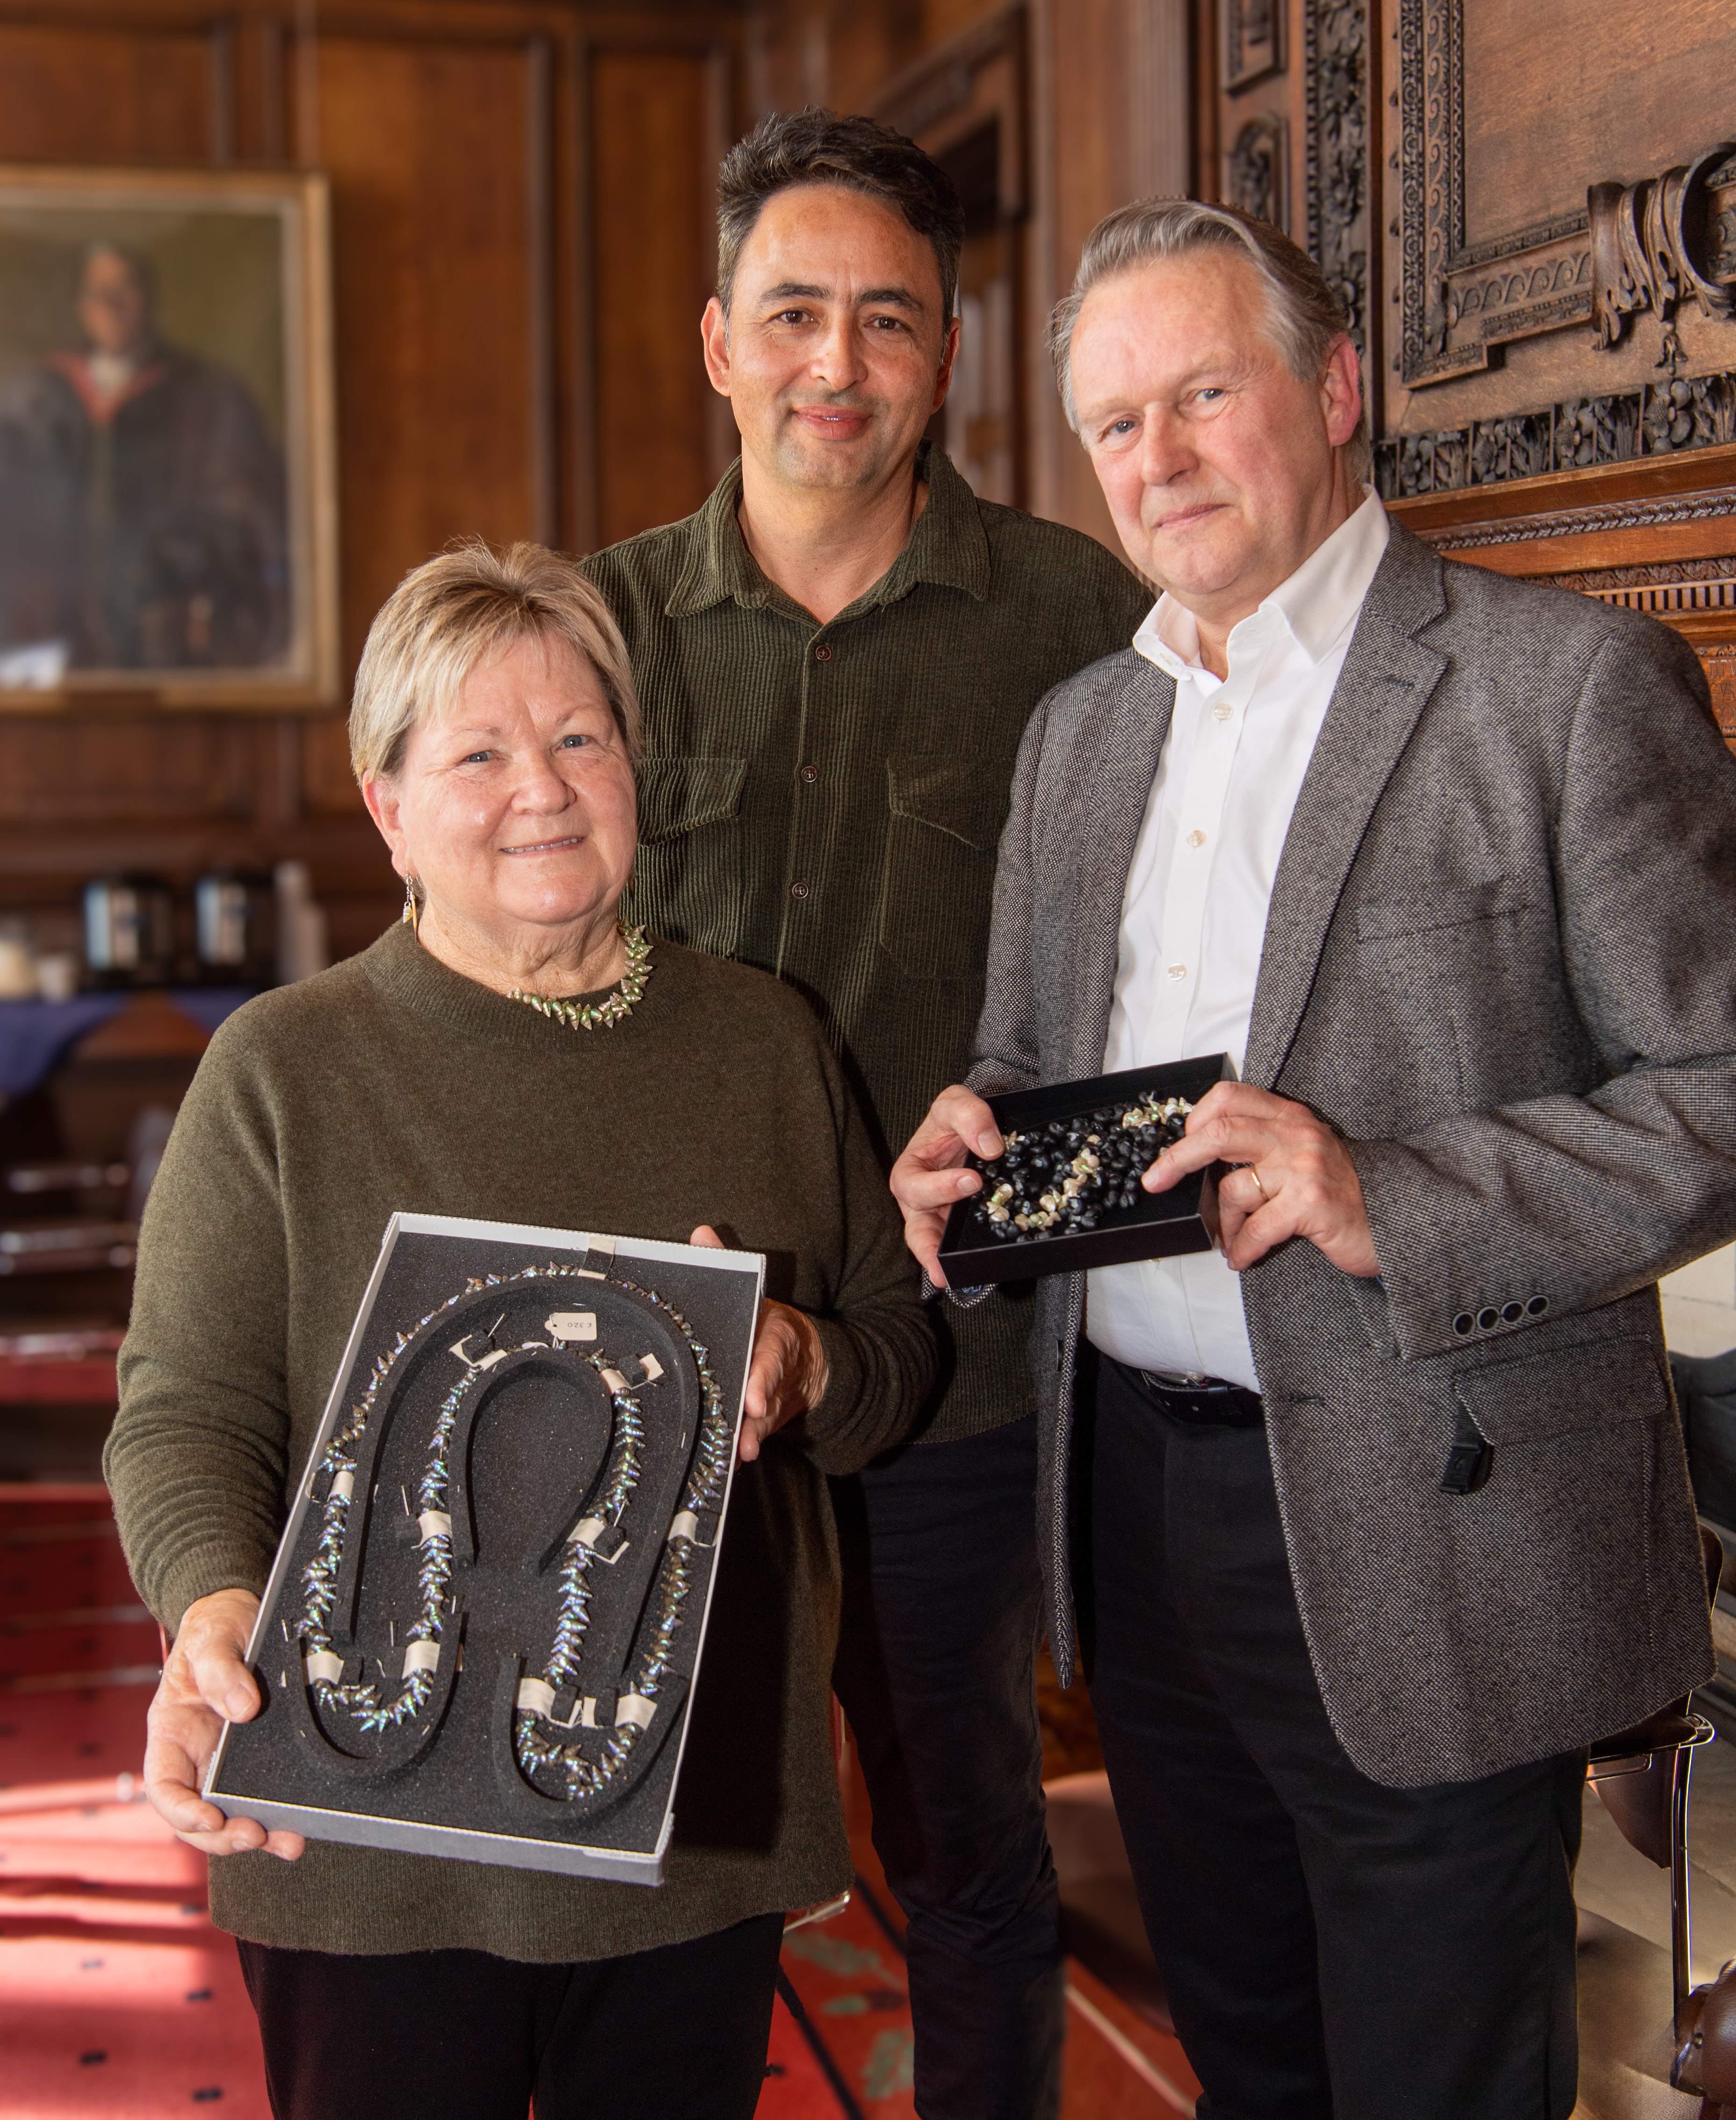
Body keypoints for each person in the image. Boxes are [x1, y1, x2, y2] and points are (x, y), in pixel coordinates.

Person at [891, 198, 1736, 2119]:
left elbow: (1721, 1081)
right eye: (1116, 423)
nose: (1159, 456)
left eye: (1205, 389)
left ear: (1337, 384)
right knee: (1249, 2067)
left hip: (1439, 1522)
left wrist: (1394, 1197)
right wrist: (972, 1135)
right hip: (1137, 1522)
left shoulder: (1563, 688)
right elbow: (1039, 1063)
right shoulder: (1077, 737)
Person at [105, 540, 937, 2120]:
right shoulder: (285, 1068)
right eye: (475, 752)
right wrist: (214, 1607)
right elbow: (188, 1413)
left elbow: (893, 1359)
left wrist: (808, 1358)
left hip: (681, 1817)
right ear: (387, 803)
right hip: (364, 1825)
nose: (540, 788)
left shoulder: (763, 1042)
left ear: (636, 770)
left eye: (581, 738)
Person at [585, 108, 1149, 2120]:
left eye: (886, 319)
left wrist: (1029, 1213)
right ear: (717, 342)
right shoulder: (597, 633)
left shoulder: (1082, 624)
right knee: (658, 1855)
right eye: (794, 312)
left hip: (961, 1385)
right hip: (665, 1358)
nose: (837, 361)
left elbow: (1178, 991)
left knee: (967, 1845)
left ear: (949, 352)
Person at [0, 239, 288, 669]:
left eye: (125, 290)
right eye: (97, 293)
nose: (111, 306)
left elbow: (247, 515)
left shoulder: (208, 398)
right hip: (54, 636)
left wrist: (177, 560)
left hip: (169, 635)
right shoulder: (37, 401)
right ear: (80, 306)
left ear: (148, 299)